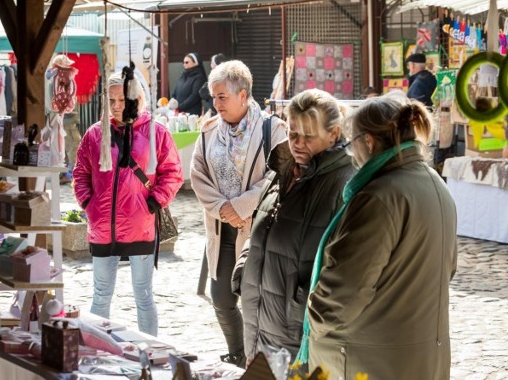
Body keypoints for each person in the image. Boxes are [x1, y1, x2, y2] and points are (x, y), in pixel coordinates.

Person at [301, 94, 457, 379]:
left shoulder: (378, 196)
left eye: (352, 144)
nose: (352, 154)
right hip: (418, 352)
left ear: (368, 142)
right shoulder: (434, 182)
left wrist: (310, 317)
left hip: (370, 358)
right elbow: (449, 268)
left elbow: (343, 295)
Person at [235, 89, 355, 364]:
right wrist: (244, 270)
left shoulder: (344, 184)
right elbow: (260, 227)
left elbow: (348, 268)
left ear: (334, 134)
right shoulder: (283, 169)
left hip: (298, 329)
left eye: (308, 136)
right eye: (292, 133)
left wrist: (303, 305)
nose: (297, 143)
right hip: (259, 317)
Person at [72, 67, 183, 336]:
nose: (117, 106)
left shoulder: (156, 132)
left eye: (123, 100)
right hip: (102, 227)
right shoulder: (95, 134)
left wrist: (154, 203)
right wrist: (89, 203)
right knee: (100, 295)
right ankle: (97, 350)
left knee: (143, 296)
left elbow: (173, 172)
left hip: (140, 224)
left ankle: (151, 349)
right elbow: (80, 173)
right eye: (111, 101)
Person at [190, 60, 287, 367]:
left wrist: (243, 205)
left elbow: (281, 176)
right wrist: (223, 209)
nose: (216, 104)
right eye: (214, 97)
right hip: (221, 230)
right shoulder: (207, 133)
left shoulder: (273, 129)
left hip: (257, 230)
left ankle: (256, 361)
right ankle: (238, 353)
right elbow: (197, 175)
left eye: (222, 97)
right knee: (221, 298)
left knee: (253, 299)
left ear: (243, 95)